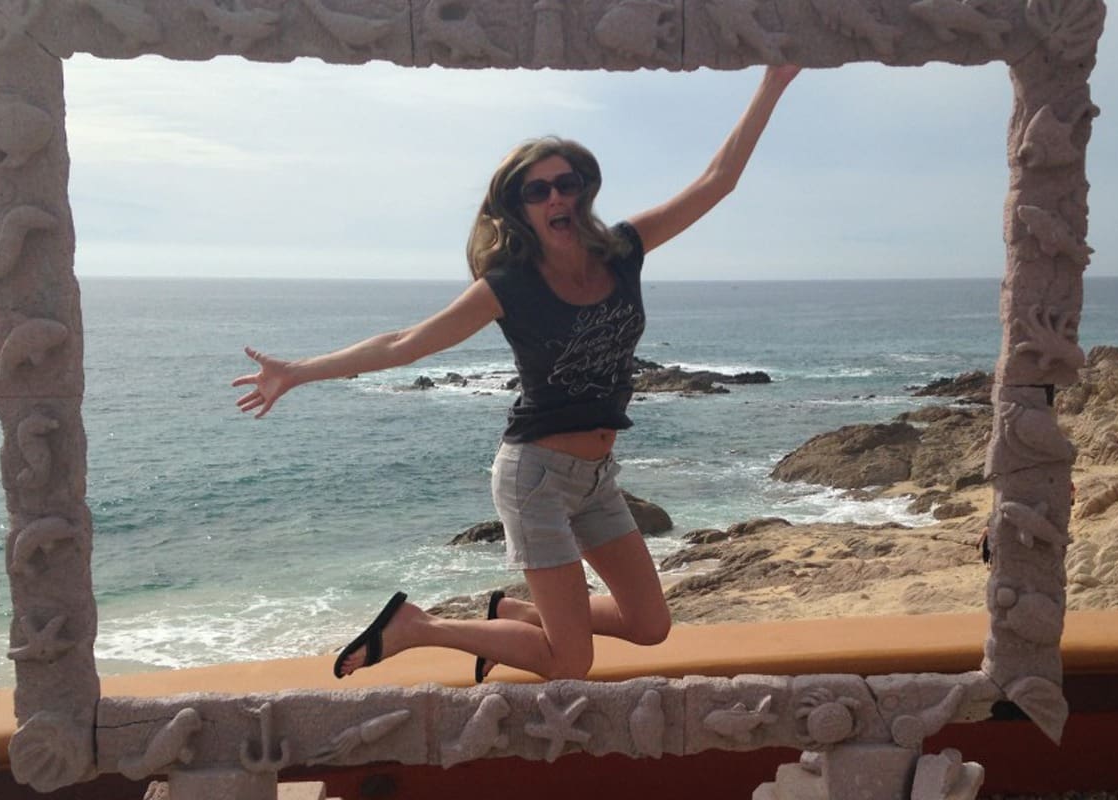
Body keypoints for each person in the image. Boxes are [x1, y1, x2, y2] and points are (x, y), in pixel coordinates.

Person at [232, 66, 800, 682]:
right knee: (570, 661)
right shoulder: (509, 286)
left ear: (584, 191)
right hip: (535, 480)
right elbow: (406, 343)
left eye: (567, 183)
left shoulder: (623, 250)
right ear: (519, 208)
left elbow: (719, 181)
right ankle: (417, 628)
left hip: (597, 479)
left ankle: (518, 615)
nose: (556, 197)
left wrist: (773, 81)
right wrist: (297, 371)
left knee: (650, 625)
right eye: (538, 191)